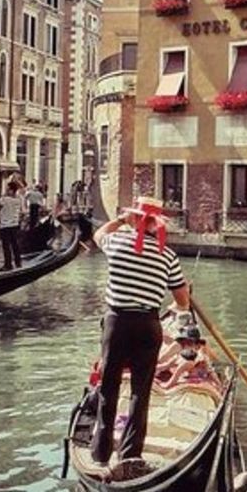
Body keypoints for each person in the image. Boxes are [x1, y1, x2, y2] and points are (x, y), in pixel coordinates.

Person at [89, 196, 191, 469]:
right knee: (140, 391)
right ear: (157, 225)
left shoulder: (118, 243)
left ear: (136, 219)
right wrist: (180, 300)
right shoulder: (168, 256)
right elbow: (182, 300)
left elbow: (98, 233)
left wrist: (122, 220)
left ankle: (100, 453)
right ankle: (130, 455)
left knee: (108, 386)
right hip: (148, 326)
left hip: (116, 323)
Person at [0, 182, 23, 270]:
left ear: (12, 191)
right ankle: (18, 262)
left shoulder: (4, 200)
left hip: (5, 226)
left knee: (6, 246)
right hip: (15, 225)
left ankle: (8, 265)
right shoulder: (18, 200)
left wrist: (0, 196)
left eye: (8, 189)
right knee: (15, 244)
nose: (6, 190)